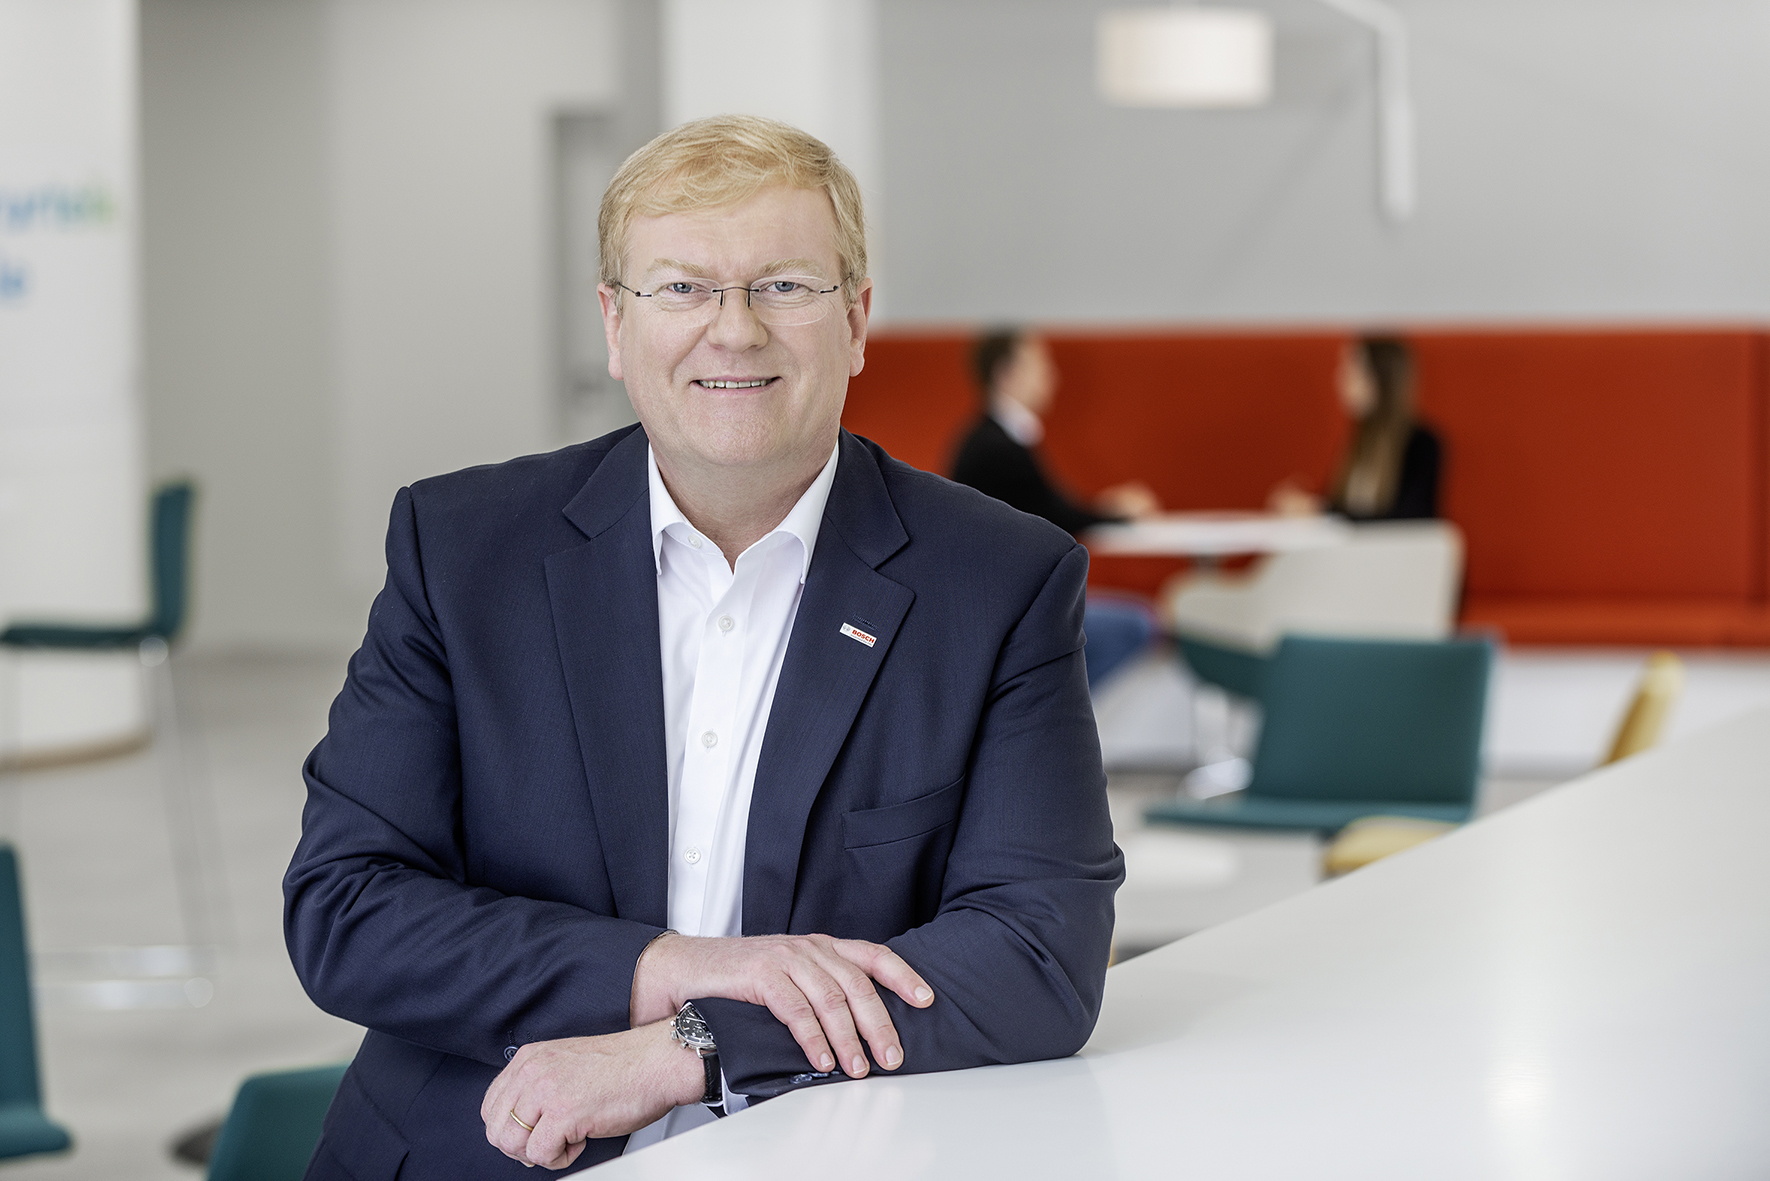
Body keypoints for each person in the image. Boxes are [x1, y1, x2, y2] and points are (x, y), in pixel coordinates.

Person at [283, 116, 1122, 1179]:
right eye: (682, 288)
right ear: (614, 324)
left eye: (784, 286)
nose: (734, 330)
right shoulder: (461, 549)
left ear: (856, 320)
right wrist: (666, 969)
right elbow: (348, 905)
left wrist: (697, 1045)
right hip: (473, 1147)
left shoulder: (999, 580)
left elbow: (1037, 949)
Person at [950, 329, 1159, 686]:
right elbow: (1055, 516)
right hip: (1011, 613)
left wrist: (1108, 509)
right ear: (1007, 374)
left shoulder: (992, 440)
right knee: (1139, 624)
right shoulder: (997, 448)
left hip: (1004, 607)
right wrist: (1117, 514)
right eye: (1040, 365)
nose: (1052, 377)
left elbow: (1049, 506)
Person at [1269, 335, 1442, 521]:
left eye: (1350, 370)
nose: (1338, 379)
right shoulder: (1359, 439)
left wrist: (1321, 510)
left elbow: (1406, 516)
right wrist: (1309, 506)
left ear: (1379, 380)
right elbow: (1340, 507)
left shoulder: (1422, 445)